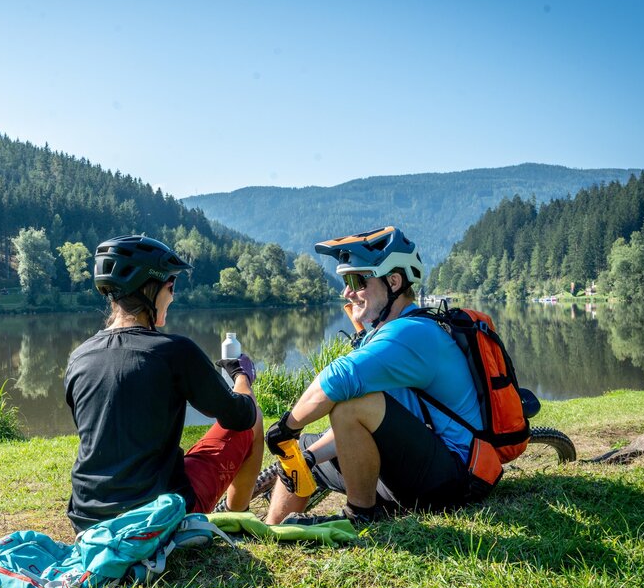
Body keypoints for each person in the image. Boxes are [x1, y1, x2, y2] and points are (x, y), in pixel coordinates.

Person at [262, 226, 481, 525]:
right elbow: (359, 426)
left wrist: (286, 427)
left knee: (350, 404)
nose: (347, 292)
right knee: (299, 453)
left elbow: (339, 378)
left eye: (356, 281)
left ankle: (360, 516)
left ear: (393, 281)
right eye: (345, 281)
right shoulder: (386, 334)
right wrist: (306, 457)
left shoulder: (412, 333)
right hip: (412, 469)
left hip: (451, 479)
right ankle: (274, 531)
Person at [65, 235, 264, 533]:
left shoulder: (79, 357)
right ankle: (238, 519)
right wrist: (242, 375)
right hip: (157, 518)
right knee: (255, 418)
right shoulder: (174, 351)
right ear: (150, 289)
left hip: (87, 521)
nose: (172, 295)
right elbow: (240, 416)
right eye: (171, 285)